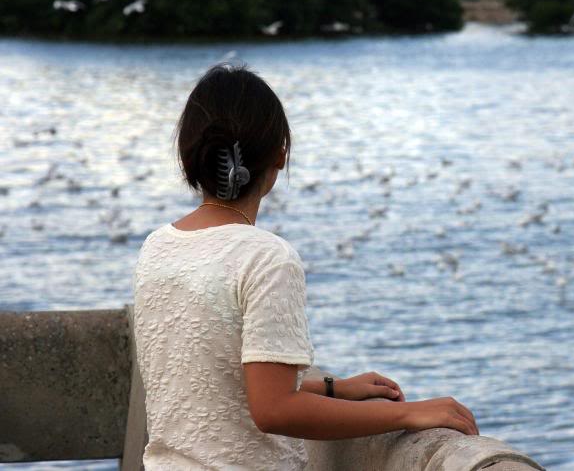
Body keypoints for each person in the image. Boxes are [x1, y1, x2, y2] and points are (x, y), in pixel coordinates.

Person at [132, 63, 478, 470]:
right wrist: (408, 413)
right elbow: (274, 410)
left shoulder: (158, 246)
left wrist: (331, 388)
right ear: (280, 152)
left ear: (189, 156)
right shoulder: (266, 257)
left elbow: (213, 377)